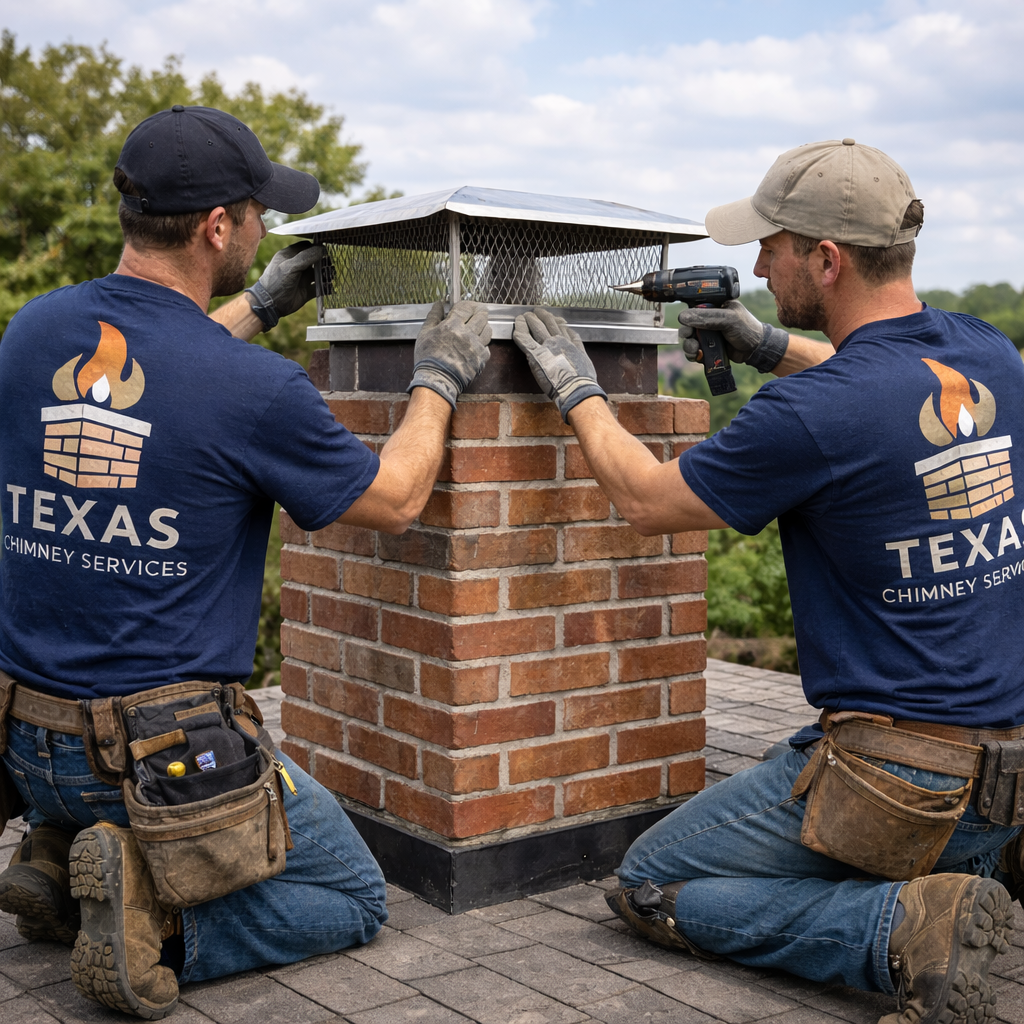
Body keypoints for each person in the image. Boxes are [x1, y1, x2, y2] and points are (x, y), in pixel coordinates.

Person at [511, 139, 1024, 1024]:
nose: (755, 264)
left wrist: (576, 388)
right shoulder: (993, 357)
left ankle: (901, 927)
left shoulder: (810, 417)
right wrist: (767, 343)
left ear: (825, 259)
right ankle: (972, 867)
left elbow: (643, 500)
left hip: (902, 782)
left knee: (653, 880)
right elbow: (887, 390)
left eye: (771, 246)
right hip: (1009, 771)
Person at [0, 104, 492, 1019]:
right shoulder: (258, 391)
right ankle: (153, 922)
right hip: (157, 758)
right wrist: (439, 377)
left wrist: (261, 303)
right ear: (217, 226)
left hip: (25, 743)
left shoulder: (31, 336)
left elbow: (155, 378)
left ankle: (55, 853)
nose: (267, 226)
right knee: (352, 893)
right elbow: (394, 499)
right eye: (258, 211)